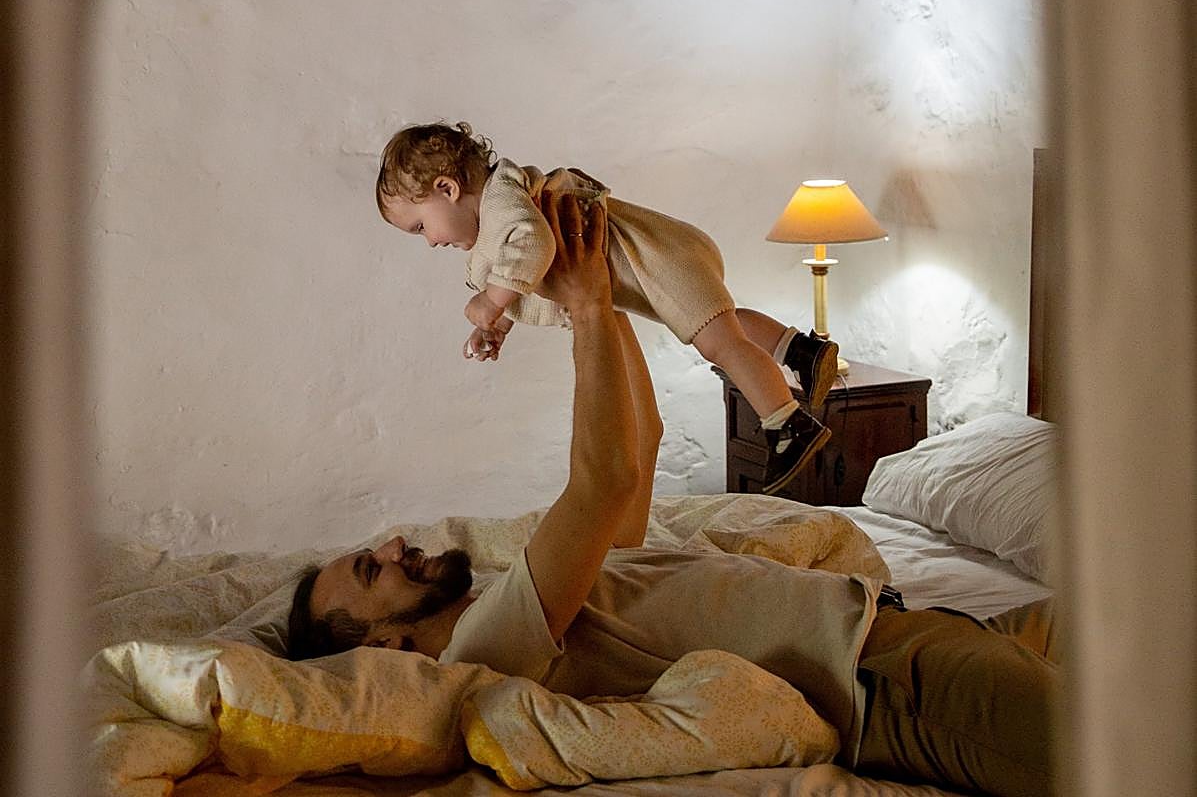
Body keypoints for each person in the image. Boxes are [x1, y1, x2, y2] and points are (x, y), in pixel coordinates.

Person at [291, 191, 1058, 797]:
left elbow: (640, 442)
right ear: (383, 645)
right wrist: (588, 305)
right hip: (891, 686)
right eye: (371, 570)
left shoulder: (557, 595)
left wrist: (608, 291)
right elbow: (601, 482)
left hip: (910, 627)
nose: (394, 546)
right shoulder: (486, 643)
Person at [374, 120, 838, 494]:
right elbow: (525, 275)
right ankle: (798, 350)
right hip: (652, 270)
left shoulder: (504, 201)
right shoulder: (495, 230)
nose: (431, 242)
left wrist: (491, 300)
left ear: (447, 188)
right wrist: (497, 324)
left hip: (657, 257)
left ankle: (788, 423)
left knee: (721, 343)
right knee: (720, 323)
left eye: (420, 227)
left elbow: (534, 247)